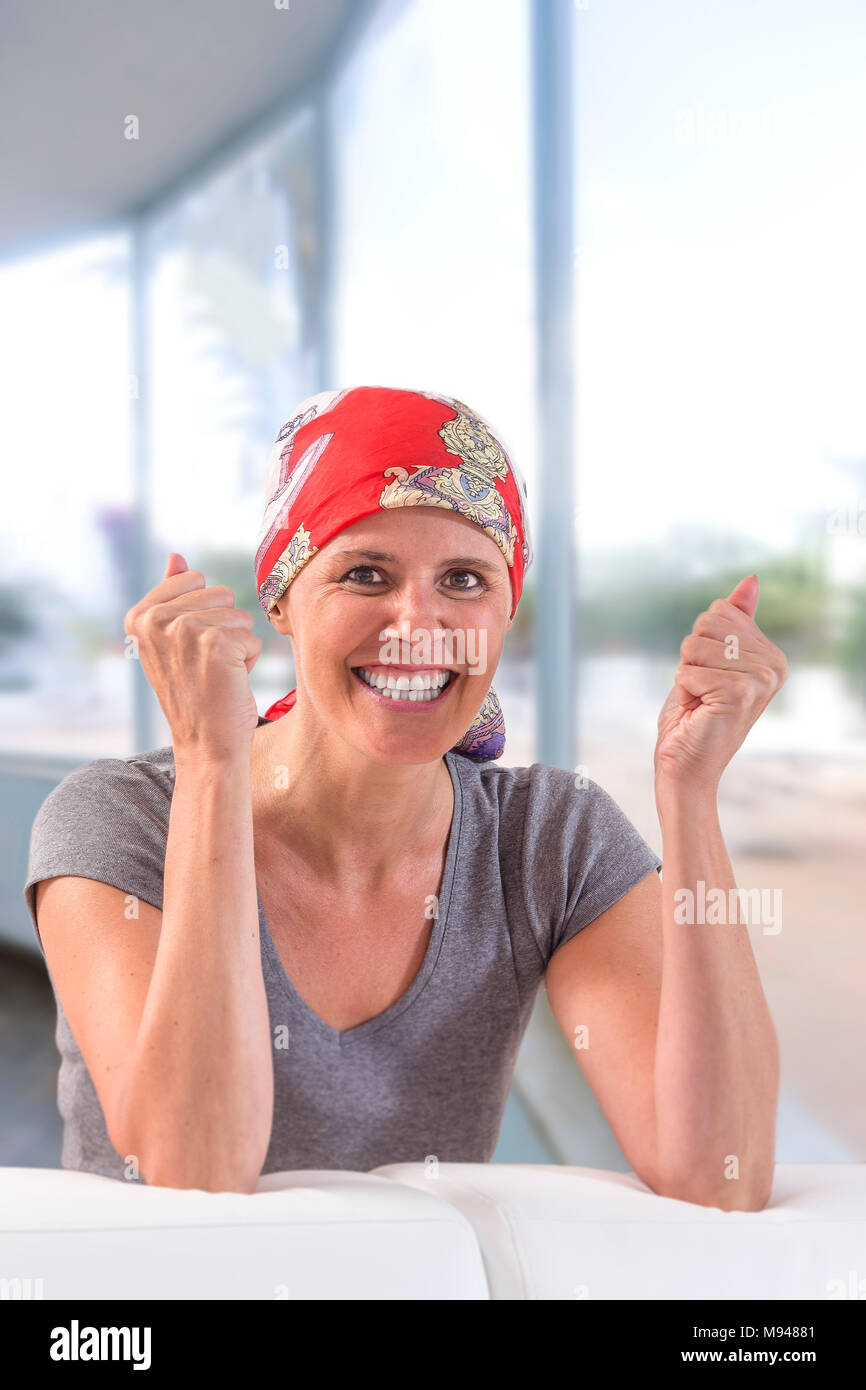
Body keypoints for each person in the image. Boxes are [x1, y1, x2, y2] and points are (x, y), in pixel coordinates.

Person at [24, 385, 786, 1207]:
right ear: (279, 600)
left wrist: (691, 792)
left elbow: (718, 1175)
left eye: (463, 580)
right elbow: (196, 1173)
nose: (419, 624)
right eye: (365, 574)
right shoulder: (118, 819)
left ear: (506, 615)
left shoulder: (553, 840)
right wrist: (213, 763)